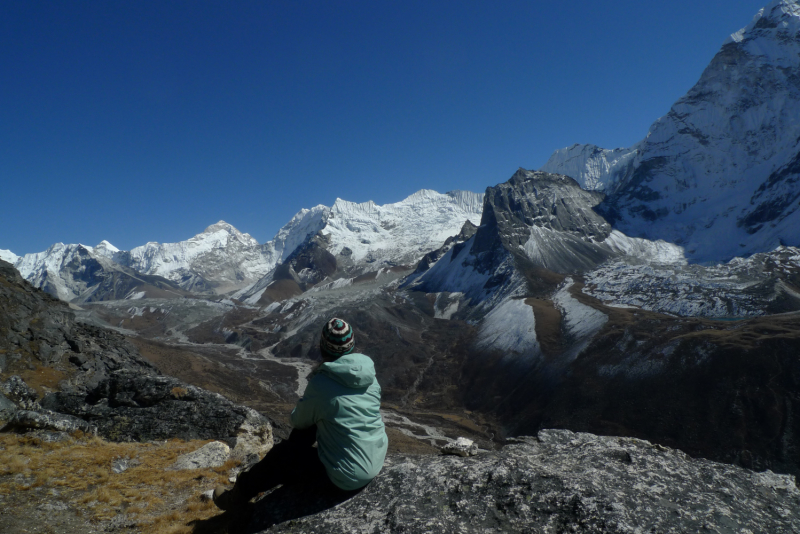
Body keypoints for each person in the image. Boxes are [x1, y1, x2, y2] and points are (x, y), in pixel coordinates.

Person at [213, 317, 388, 510]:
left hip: (346, 476)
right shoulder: (370, 376)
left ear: (323, 348)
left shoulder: (322, 384)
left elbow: (298, 420)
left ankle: (236, 497)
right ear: (352, 345)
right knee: (321, 422)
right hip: (375, 459)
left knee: (284, 453)